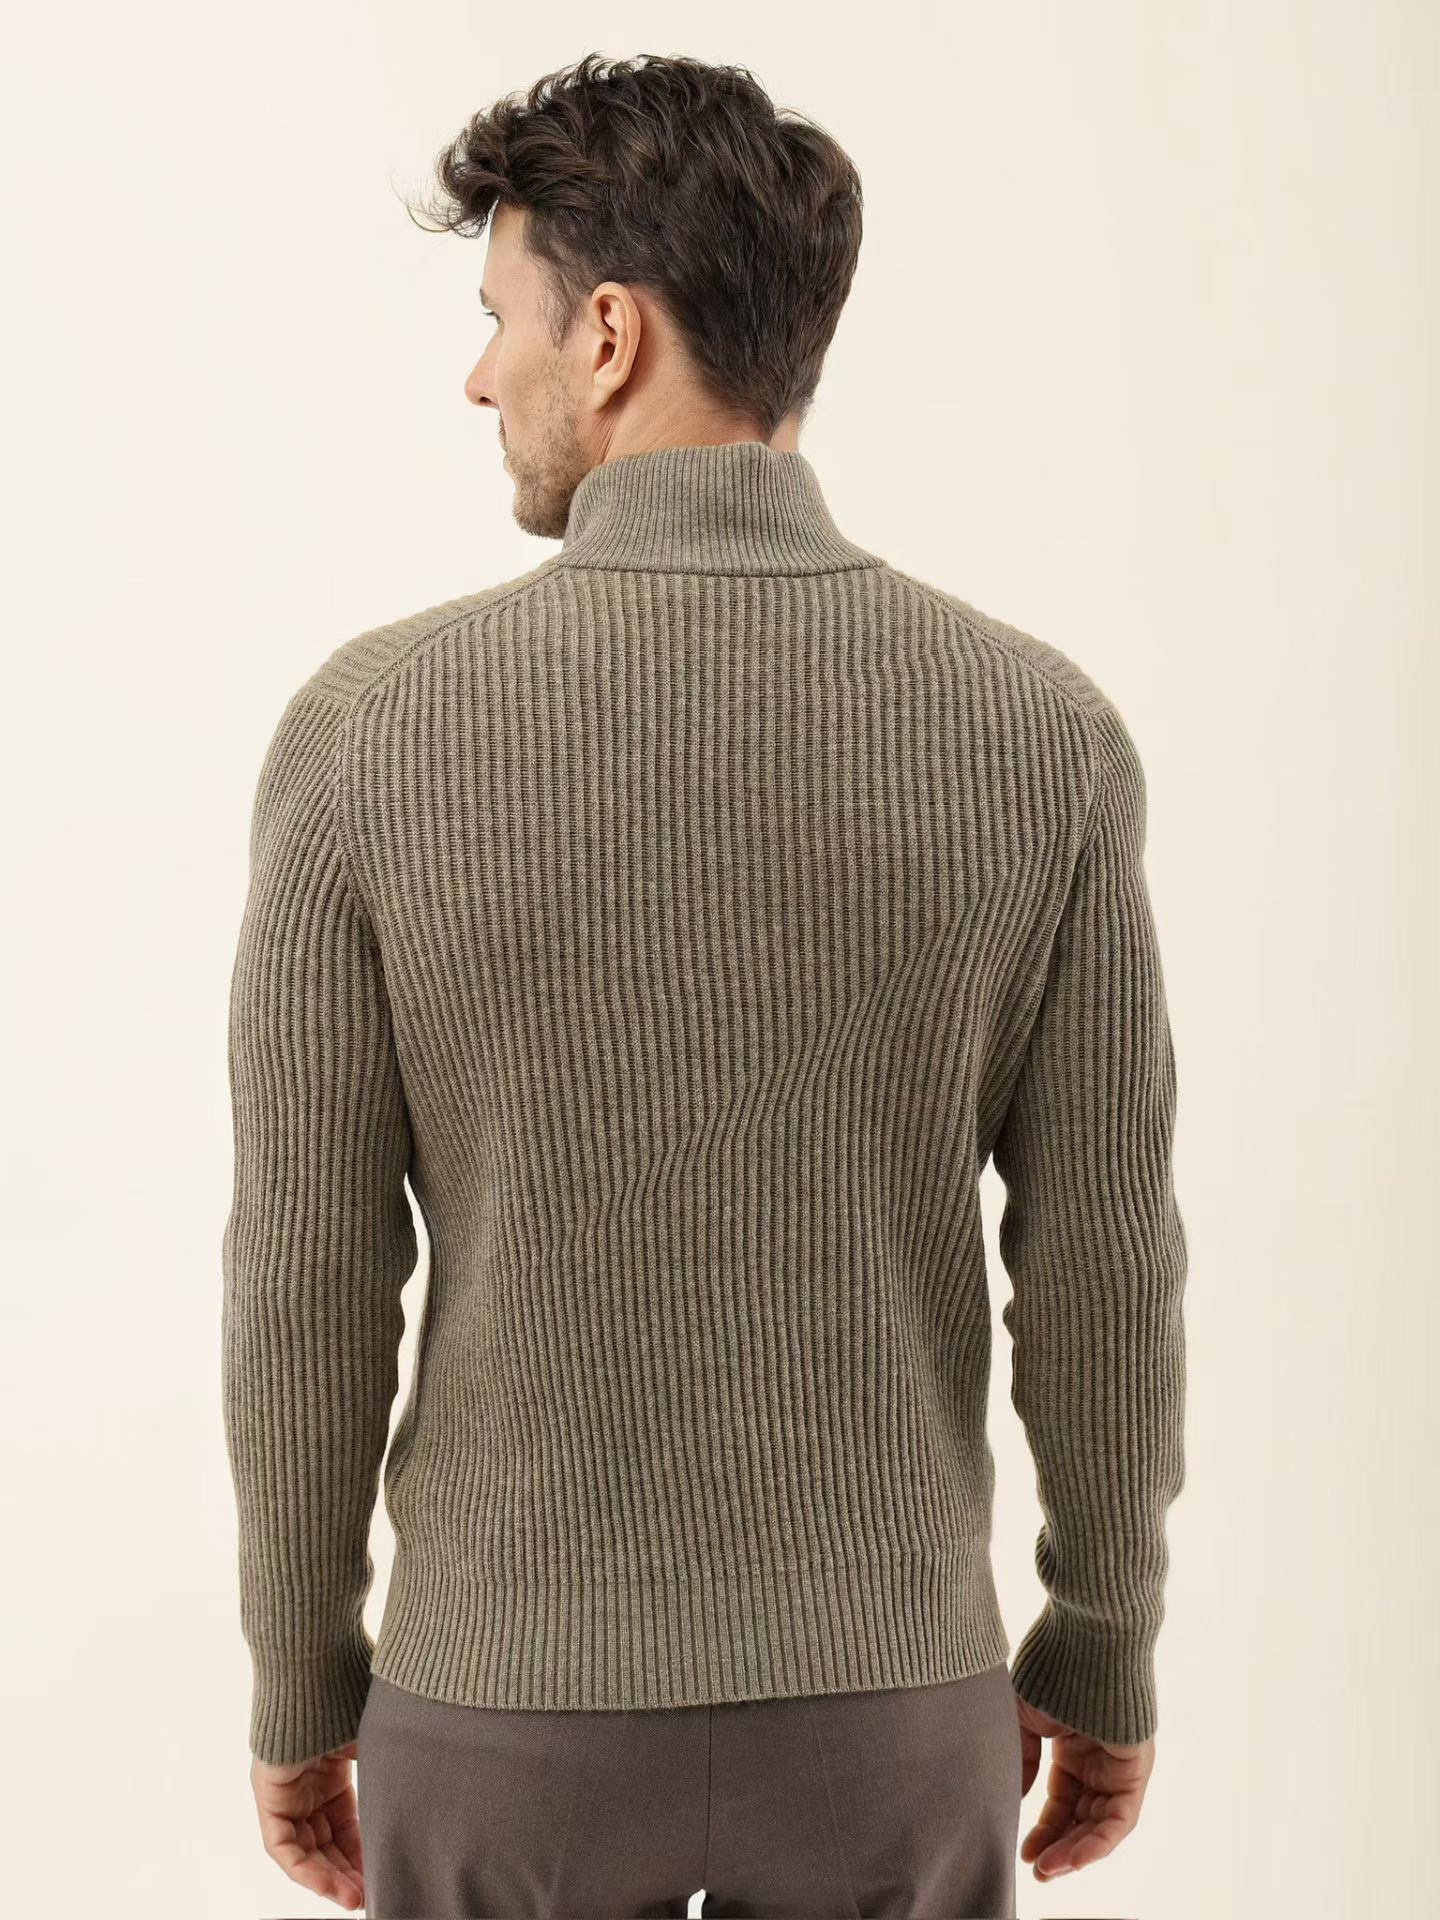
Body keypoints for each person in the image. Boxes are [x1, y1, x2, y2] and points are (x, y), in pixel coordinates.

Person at [221, 51, 1188, 1920]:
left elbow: (307, 1273)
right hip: (893, 1712)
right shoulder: (1039, 731)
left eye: (496, 318)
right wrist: (1102, 1645)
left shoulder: (370, 733)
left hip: (500, 1714)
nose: (479, 377)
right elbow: (1103, 1256)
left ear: (606, 335)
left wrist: (300, 1680)